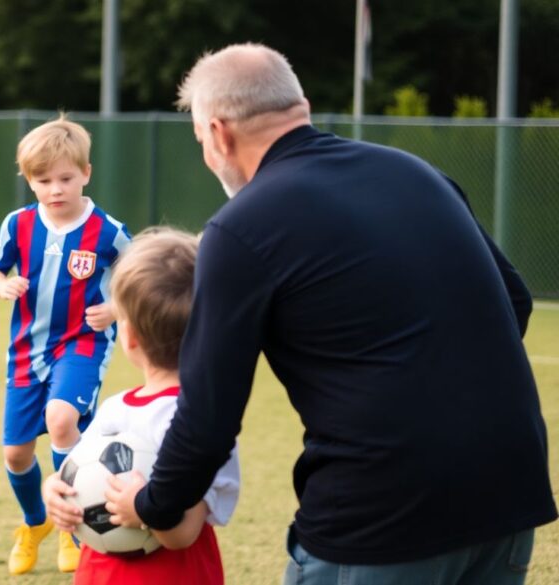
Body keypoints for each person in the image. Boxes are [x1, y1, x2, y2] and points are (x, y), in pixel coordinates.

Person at [104, 43, 557, 584]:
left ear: (219, 134)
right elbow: (515, 303)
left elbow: (209, 414)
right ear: (301, 107)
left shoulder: (240, 227)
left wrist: (152, 503)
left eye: (201, 137)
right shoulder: (416, 172)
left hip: (381, 516)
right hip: (510, 492)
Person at [43, 227, 240, 585]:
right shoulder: (116, 408)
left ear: (129, 336)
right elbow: (77, 472)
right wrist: (55, 490)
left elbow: (182, 535)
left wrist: (142, 508)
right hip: (100, 572)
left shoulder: (197, 422)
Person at [0, 113, 132, 576]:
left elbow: (140, 279)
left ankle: (72, 527)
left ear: (86, 173)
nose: (55, 189)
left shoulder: (108, 231)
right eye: (43, 181)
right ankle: (35, 524)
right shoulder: (19, 224)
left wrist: (116, 309)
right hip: (27, 352)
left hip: (82, 345)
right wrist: (1, 286)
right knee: (16, 454)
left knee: (62, 419)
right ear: (29, 181)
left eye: (65, 179)